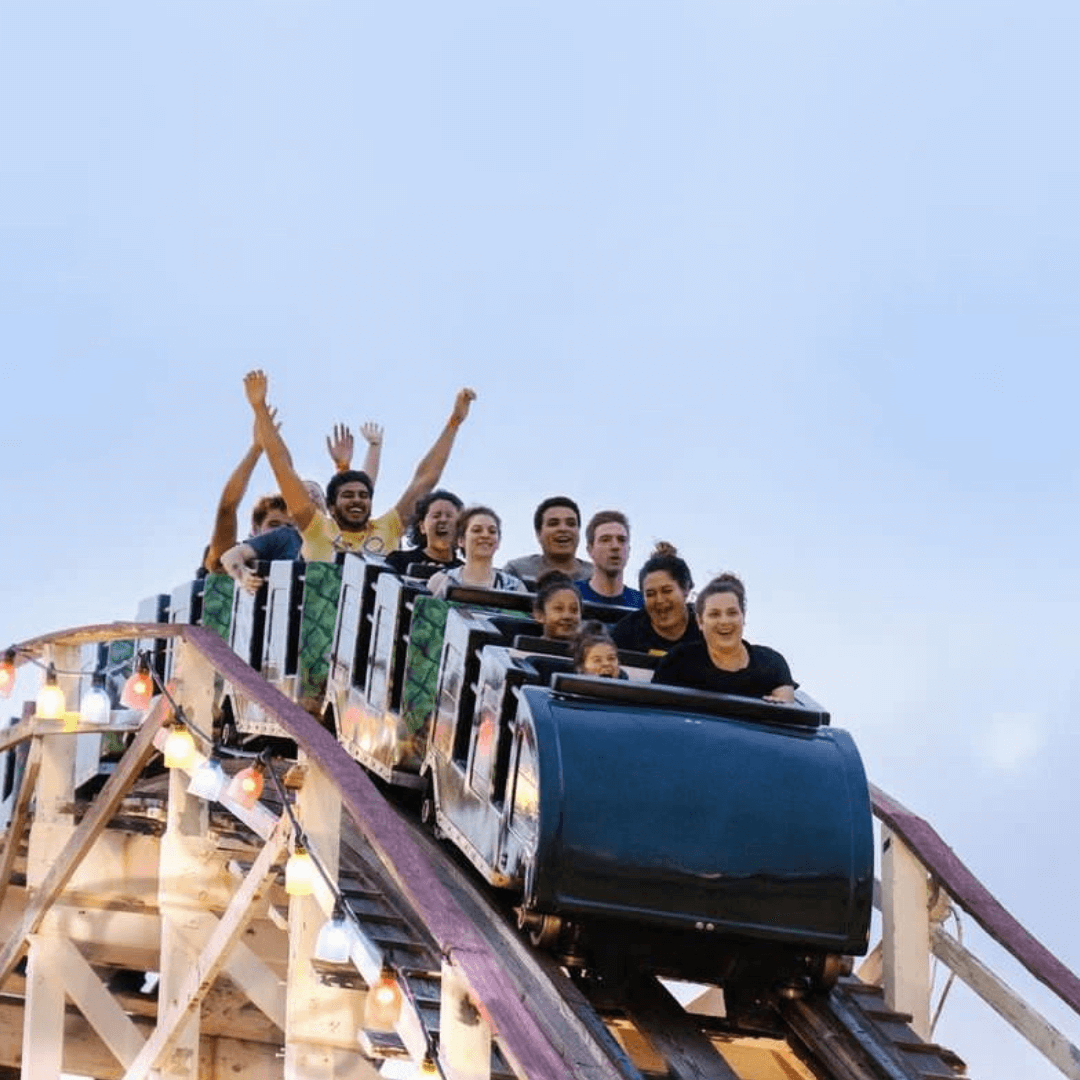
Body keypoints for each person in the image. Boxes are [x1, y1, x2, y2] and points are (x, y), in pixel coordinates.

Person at [243, 370, 475, 562]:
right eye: (348, 495)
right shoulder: (315, 526)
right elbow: (282, 467)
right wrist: (260, 408)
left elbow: (425, 479)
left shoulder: (389, 527)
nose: (357, 500)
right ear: (331, 507)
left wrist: (453, 423)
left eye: (364, 495)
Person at [202, 414, 380, 574]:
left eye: (293, 525)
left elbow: (353, 510)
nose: (284, 530)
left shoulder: (316, 541)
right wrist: (257, 449)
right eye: (274, 523)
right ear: (254, 529)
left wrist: (344, 469)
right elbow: (227, 508)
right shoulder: (242, 558)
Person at [653, 573, 796, 702]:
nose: (724, 621)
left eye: (732, 613)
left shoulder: (772, 663)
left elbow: (786, 716)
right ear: (700, 621)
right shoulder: (677, 661)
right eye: (714, 614)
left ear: (743, 616)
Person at [610, 542, 703, 655]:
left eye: (667, 591)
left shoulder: (705, 629)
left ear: (685, 589)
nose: (659, 600)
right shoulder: (627, 632)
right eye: (650, 594)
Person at [428, 507, 528, 597]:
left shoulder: (514, 587)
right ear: (461, 540)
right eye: (477, 530)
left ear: (498, 542)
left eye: (492, 531)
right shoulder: (441, 581)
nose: (485, 535)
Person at [503, 497, 592, 585]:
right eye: (553, 524)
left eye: (571, 524)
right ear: (538, 534)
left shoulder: (596, 575)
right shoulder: (517, 570)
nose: (563, 529)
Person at [384, 489, 464, 574]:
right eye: (436, 516)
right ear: (422, 527)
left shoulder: (464, 572)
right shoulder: (398, 561)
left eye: (449, 516)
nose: (443, 520)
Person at [575, 511, 643, 609]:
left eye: (621, 540)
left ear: (629, 550)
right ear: (590, 550)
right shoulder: (571, 596)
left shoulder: (641, 605)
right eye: (605, 539)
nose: (615, 546)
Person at [532, 571, 583, 641]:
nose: (567, 616)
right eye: (559, 609)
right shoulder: (524, 649)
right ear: (539, 615)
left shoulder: (591, 651)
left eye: (574, 610)